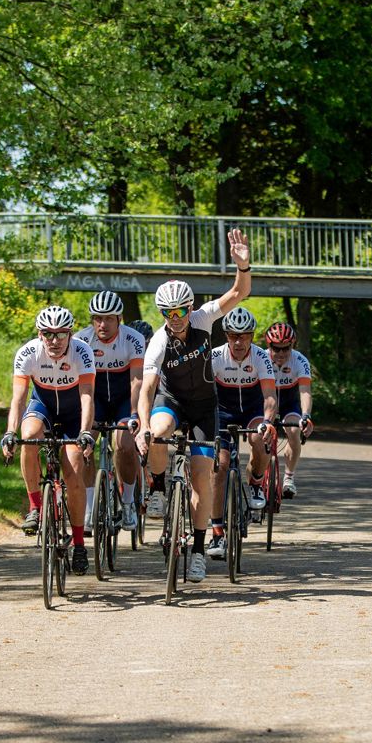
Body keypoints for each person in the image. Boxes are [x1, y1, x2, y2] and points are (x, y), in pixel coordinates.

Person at [135, 228, 253, 584]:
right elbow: (147, 388)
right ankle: (157, 487)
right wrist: (142, 425)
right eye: (168, 312)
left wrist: (243, 266)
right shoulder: (158, 342)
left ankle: (199, 550)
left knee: (203, 475)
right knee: (158, 433)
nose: (176, 317)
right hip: (170, 401)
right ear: (162, 313)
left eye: (181, 310)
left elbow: (238, 293)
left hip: (204, 407)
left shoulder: (203, 319)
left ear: (190, 307)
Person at [0, 306, 95, 573]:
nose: (54, 341)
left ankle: (78, 544)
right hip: (42, 405)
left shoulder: (83, 352)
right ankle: (35, 506)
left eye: (60, 334)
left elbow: (87, 395)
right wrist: (10, 432)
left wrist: (85, 431)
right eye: (48, 334)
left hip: (73, 411)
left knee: (74, 474)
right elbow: (18, 399)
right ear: (40, 334)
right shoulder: (28, 353)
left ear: (70, 334)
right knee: (28, 436)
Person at [206, 306, 277, 561]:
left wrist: (268, 422)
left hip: (253, 410)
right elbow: (204, 396)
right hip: (222, 413)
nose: (238, 341)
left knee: (259, 439)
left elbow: (269, 396)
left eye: (244, 335)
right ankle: (216, 531)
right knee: (220, 466)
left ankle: (256, 482)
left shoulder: (260, 357)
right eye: (233, 335)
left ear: (252, 336)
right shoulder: (214, 357)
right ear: (226, 335)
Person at [76, 290, 145, 534]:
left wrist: (135, 414)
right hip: (96, 401)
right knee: (83, 447)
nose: (102, 324)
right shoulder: (81, 341)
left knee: (125, 445)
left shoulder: (134, 339)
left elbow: (137, 381)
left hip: (124, 400)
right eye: (97, 318)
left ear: (119, 319)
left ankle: (127, 503)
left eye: (108, 319)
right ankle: (89, 507)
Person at [263, 321, 313, 497]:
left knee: (293, 432)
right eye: (277, 348)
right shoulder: (260, 358)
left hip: (288, 403)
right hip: (265, 402)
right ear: (269, 345)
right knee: (259, 437)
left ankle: (289, 479)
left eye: (286, 348)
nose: (281, 353)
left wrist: (306, 416)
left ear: (293, 345)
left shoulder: (300, 360)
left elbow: (305, 391)